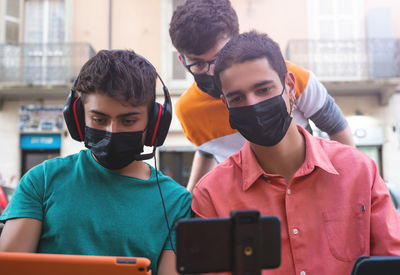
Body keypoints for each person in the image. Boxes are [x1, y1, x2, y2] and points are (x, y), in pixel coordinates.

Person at [191, 31, 400, 275]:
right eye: (237, 97)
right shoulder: (211, 196)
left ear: (290, 87)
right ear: (226, 105)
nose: (252, 104)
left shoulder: (359, 171)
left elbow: (391, 262)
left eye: (264, 90)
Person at [0, 50, 192, 275]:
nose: (112, 131)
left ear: (155, 122)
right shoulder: (41, 181)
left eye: (128, 121)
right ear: (78, 117)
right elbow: (10, 268)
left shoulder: (176, 202)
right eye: (99, 119)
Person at [169, 0, 355, 192]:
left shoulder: (288, 77)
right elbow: (209, 149)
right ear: (182, 61)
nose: (211, 72)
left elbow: (336, 127)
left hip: (308, 186)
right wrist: (190, 199)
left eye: (219, 58)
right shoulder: (188, 111)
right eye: (198, 64)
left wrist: (348, 184)